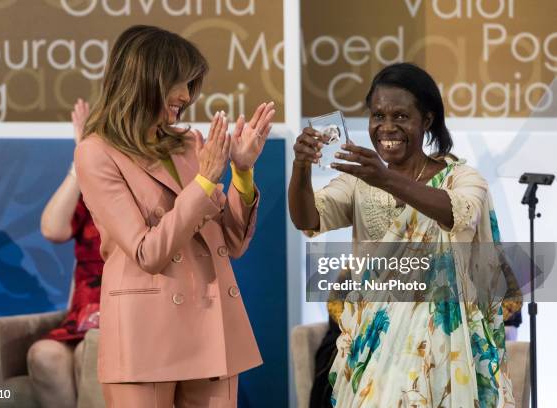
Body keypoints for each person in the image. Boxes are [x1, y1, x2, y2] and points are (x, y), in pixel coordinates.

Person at [289, 63, 515, 407]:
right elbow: (307, 217)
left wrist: (386, 178)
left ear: (426, 120)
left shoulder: (462, 178)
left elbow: (458, 213)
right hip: (375, 348)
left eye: (400, 116)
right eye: (377, 115)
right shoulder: (358, 181)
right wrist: (301, 168)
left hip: (445, 353)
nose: (387, 127)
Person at [74, 25, 275, 407]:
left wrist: (242, 172)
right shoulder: (96, 152)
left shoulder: (188, 143)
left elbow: (231, 242)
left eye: (189, 84)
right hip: (145, 337)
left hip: (212, 328)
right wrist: (203, 182)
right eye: (177, 83)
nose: (185, 96)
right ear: (143, 78)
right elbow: (148, 251)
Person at [27, 98, 103, 408]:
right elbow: (52, 229)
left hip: (124, 317)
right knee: (43, 355)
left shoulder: (140, 187)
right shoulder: (88, 191)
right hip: (82, 318)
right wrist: (80, 161)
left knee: (91, 353)